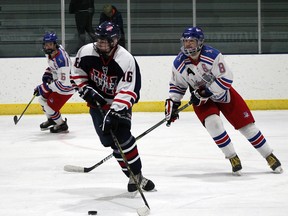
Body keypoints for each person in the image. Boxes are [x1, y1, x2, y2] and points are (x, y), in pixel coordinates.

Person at [164, 26, 283, 175]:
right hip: (202, 101)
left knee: (247, 127)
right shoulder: (179, 63)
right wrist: (173, 104)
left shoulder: (213, 56)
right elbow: (177, 85)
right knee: (213, 123)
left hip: (224, 94)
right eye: (185, 41)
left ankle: (269, 155)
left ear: (200, 42)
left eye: (192, 41)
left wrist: (205, 92)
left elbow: (227, 79)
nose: (188, 44)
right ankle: (232, 157)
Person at [71, 21, 155, 192]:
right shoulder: (86, 51)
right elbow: (77, 74)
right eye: (99, 39)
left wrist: (114, 112)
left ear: (115, 40)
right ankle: (132, 175)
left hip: (119, 104)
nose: (100, 43)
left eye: (105, 40)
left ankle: (136, 175)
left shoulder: (125, 59)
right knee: (109, 141)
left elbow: (128, 90)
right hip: (96, 105)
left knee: (123, 136)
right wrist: (86, 89)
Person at [34, 32, 75, 133]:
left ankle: (61, 125)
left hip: (67, 87)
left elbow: (63, 83)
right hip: (59, 83)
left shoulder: (62, 60)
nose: (47, 47)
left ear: (55, 44)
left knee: (49, 106)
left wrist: (45, 87)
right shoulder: (51, 52)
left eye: (50, 44)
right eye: (46, 44)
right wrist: (48, 73)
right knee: (42, 99)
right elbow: (54, 66)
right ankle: (52, 119)